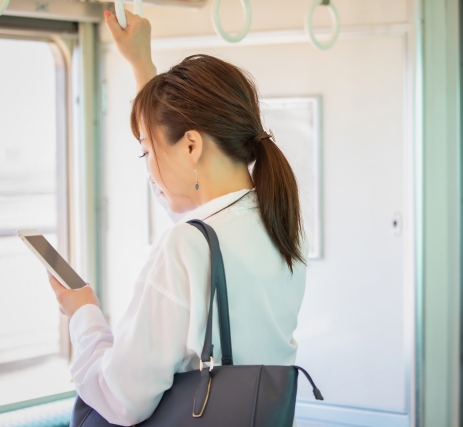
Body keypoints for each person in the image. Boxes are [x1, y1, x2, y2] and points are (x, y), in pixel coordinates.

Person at [47, 9, 308, 426]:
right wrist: (141, 66)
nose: (150, 170)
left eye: (147, 152)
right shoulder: (277, 221)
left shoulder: (186, 245)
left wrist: (84, 315)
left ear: (191, 146)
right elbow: (190, 209)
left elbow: (122, 400)